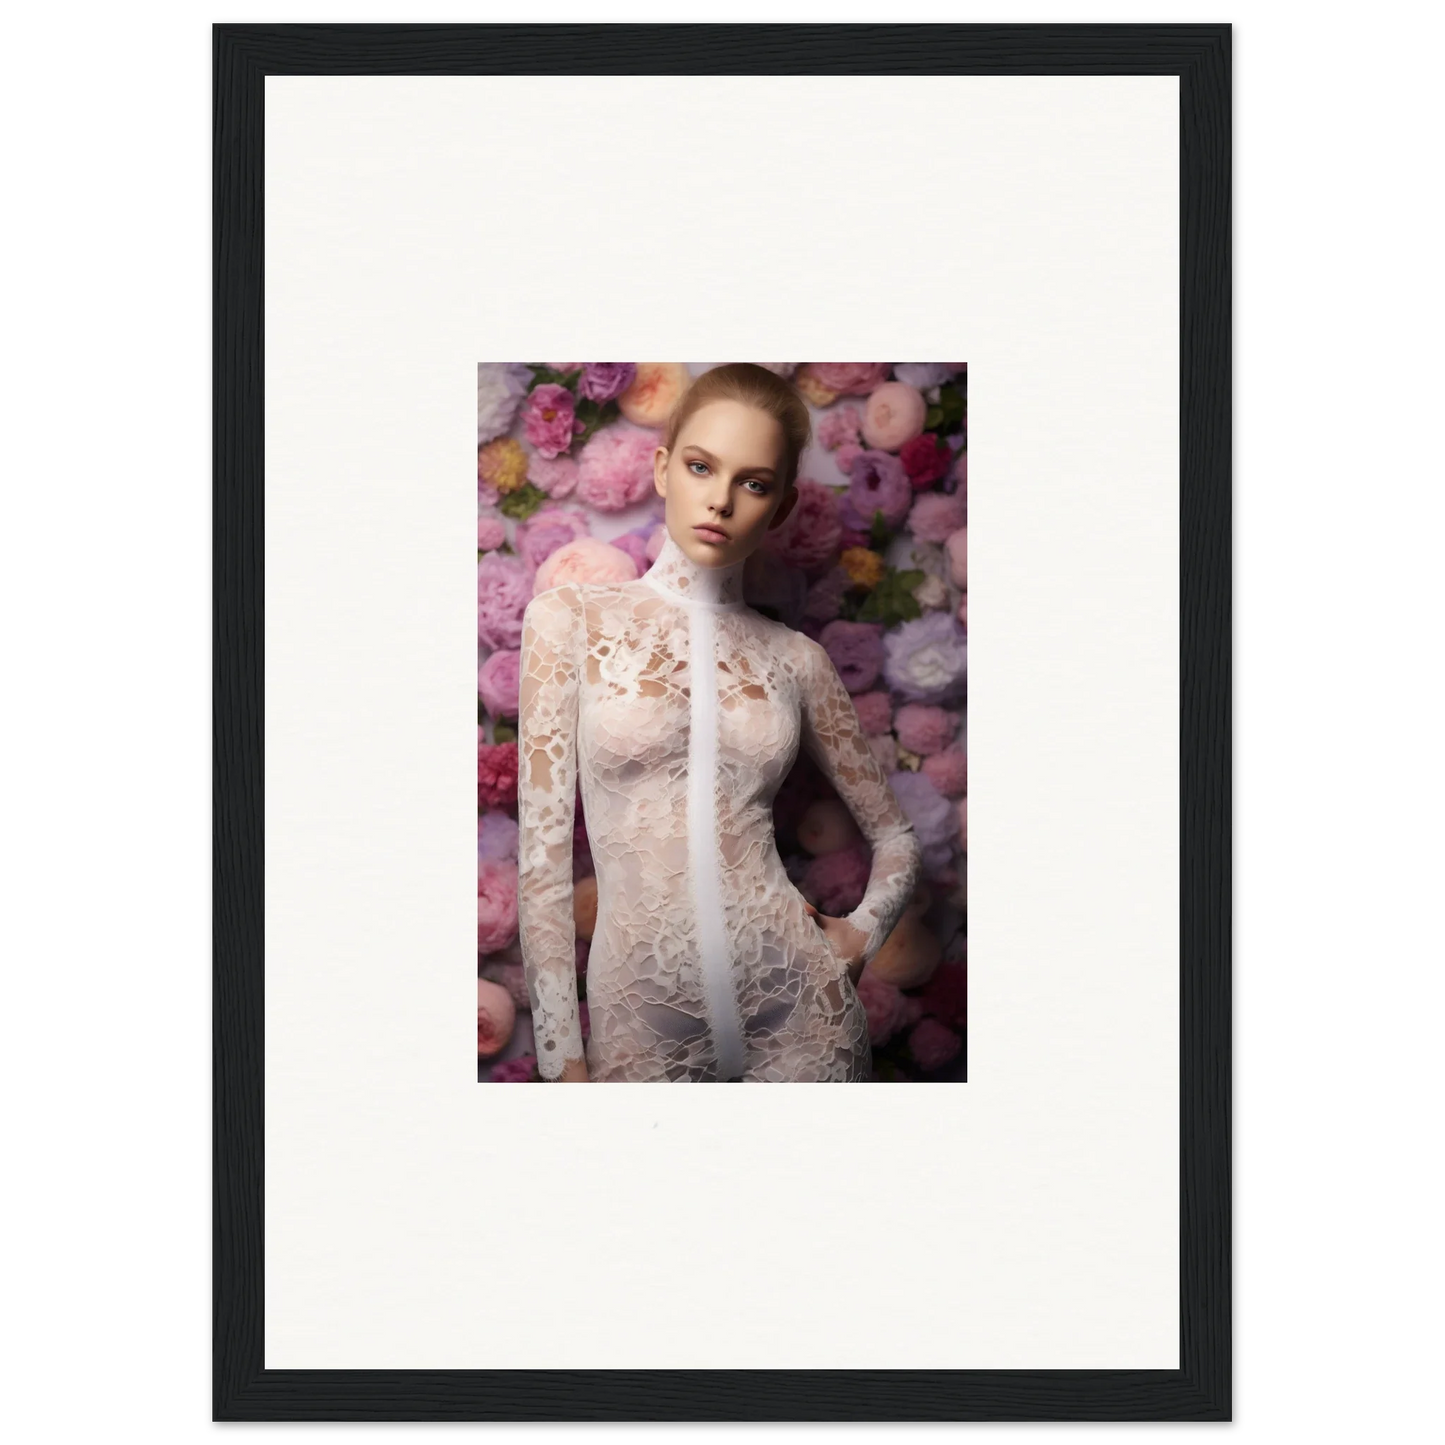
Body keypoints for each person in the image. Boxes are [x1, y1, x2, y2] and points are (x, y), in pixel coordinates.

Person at [516, 363, 923, 1081]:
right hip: (641, 1015)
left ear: (782, 504)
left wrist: (859, 934)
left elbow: (895, 835)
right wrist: (559, 1058)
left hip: (800, 1003)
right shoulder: (570, 621)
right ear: (663, 467)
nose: (722, 500)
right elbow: (542, 864)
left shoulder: (797, 660)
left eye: (754, 482)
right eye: (703, 467)